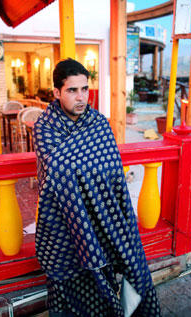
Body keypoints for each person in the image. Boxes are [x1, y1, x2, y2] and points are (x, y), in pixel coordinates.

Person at [32, 58, 161, 316]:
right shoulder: (44, 128)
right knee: (69, 283)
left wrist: (87, 177)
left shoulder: (99, 124)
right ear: (57, 93)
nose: (81, 97)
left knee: (106, 275)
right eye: (72, 90)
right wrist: (89, 172)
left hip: (102, 217)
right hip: (65, 220)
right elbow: (59, 171)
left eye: (84, 89)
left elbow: (113, 171)